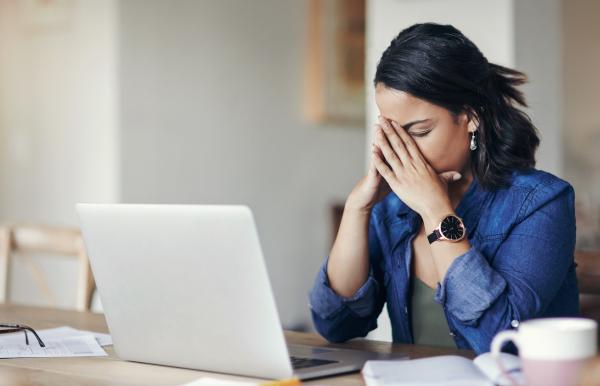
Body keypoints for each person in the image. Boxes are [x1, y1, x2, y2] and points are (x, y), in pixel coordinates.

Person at [309, 23, 579, 354]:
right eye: (394, 133)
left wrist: (436, 210)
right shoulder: (393, 208)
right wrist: (357, 208)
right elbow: (336, 324)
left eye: (420, 131)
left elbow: (496, 341)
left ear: (471, 117)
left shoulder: (540, 202)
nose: (404, 150)